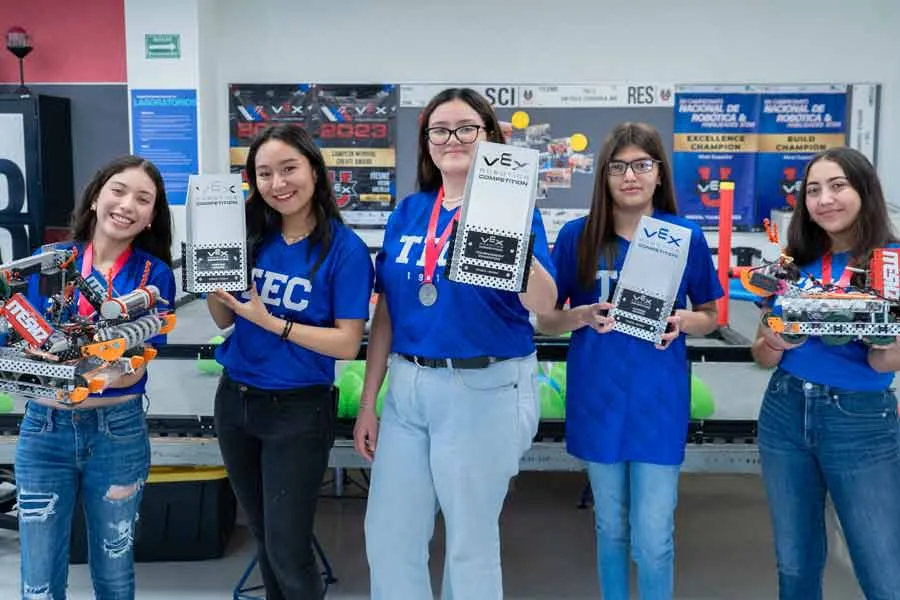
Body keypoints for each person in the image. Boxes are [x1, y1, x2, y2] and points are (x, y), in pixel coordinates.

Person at [353, 87, 558, 600]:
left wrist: (508, 236)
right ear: (427, 143)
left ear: (488, 136)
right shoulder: (409, 212)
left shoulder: (514, 210)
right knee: (389, 536)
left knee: (469, 544)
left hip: (483, 388)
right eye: (440, 130)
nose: (453, 139)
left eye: (467, 127)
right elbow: (387, 313)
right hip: (407, 387)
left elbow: (545, 303)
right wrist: (369, 403)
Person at [536, 122, 723, 600]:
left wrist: (685, 320)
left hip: (658, 401)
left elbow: (710, 314)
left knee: (654, 538)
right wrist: (579, 315)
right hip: (597, 399)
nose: (630, 176)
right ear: (603, 176)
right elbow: (547, 320)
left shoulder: (683, 236)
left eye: (642, 165)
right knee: (610, 527)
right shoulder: (578, 236)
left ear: (659, 174)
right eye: (617, 167)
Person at [207, 123, 374, 600]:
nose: (277, 183)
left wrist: (272, 322)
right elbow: (223, 318)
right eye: (264, 173)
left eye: (288, 169)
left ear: (315, 171)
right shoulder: (252, 236)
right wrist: (212, 269)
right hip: (235, 402)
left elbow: (347, 343)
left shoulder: (345, 250)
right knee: (264, 538)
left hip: (297, 411)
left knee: (288, 548)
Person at [15, 155, 176, 599]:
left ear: (151, 217)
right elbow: (18, 335)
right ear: (95, 198)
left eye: (142, 199)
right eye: (118, 191)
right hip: (44, 432)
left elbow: (133, 367)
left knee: (114, 574)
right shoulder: (47, 262)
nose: (126, 205)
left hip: (116, 434)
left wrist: (85, 369)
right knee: (39, 580)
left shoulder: (153, 276)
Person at [751, 146, 900, 599]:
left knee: (883, 568)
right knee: (795, 564)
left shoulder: (892, 262)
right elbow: (762, 354)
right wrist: (773, 340)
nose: (825, 199)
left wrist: (887, 342)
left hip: (860, 419)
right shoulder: (791, 261)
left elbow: (880, 363)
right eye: (813, 190)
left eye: (838, 186)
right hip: (784, 409)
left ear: (865, 191)